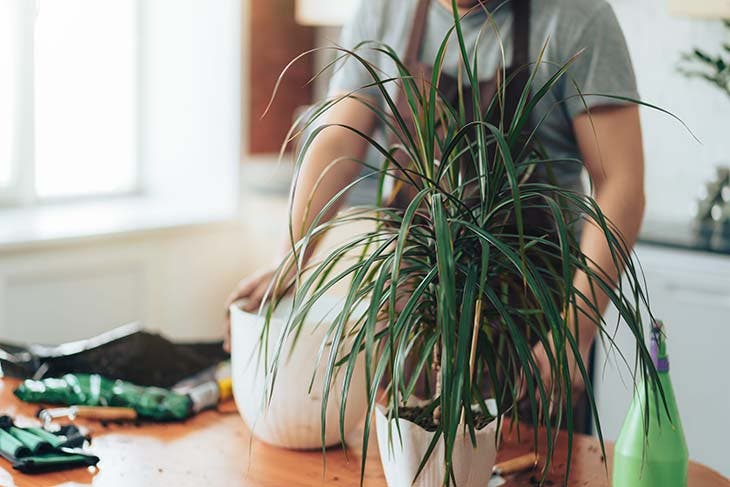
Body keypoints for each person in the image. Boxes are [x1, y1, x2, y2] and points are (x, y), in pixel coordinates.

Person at [226, 0, 645, 404]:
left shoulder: (580, 17)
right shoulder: (384, 9)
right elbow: (338, 137)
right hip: (411, 310)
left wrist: (576, 330)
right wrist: (291, 258)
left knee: (531, 472)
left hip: (531, 324)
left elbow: (619, 181)